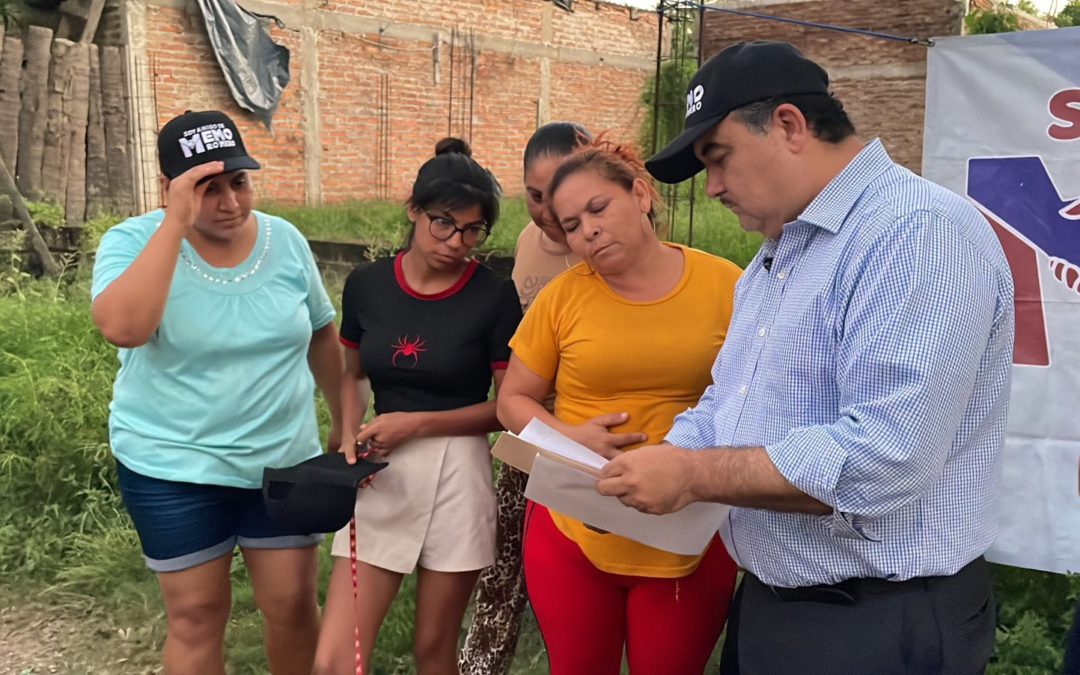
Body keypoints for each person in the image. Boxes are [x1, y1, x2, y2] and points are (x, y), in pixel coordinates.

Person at [596, 41, 1015, 673]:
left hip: (878, 618)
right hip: (778, 602)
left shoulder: (918, 233)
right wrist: (661, 463)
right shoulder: (775, 257)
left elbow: (885, 456)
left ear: (790, 125)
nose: (711, 188)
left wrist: (692, 477)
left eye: (719, 159)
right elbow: (730, 401)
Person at [90, 110, 343, 675]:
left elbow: (323, 334)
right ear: (172, 188)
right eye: (208, 188)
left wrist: (343, 419)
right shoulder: (130, 242)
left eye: (239, 182)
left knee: (293, 606)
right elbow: (123, 327)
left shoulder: (286, 240)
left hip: (282, 463)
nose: (230, 202)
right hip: (171, 467)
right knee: (197, 616)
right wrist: (173, 225)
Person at [496, 137, 742, 674]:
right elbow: (512, 401)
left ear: (640, 194)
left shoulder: (727, 284)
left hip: (689, 532)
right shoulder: (562, 297)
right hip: (575, 527)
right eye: (571, 225)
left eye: (598, 209)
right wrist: (568, 435)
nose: (588, 230)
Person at [313, 144, 522, 675]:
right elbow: (354, 374)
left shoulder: (494, 297)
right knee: (337, 658)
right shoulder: (367, 286)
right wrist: (345, 439)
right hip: (380, 469)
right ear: (413, 210)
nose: (457, 243)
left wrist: (420, 425)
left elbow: (508, 408)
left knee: (433, 652)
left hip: (460, 471)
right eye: (444, 224)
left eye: (473, 230)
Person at [460, 122, 589, 675]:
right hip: (529, 420)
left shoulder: (602, 240)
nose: (548, 211)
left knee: (581, 552)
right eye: (535, 196)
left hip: (589, 425)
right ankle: (482, 661)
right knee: (504, 549)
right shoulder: (526, 242)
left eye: (560, 193)